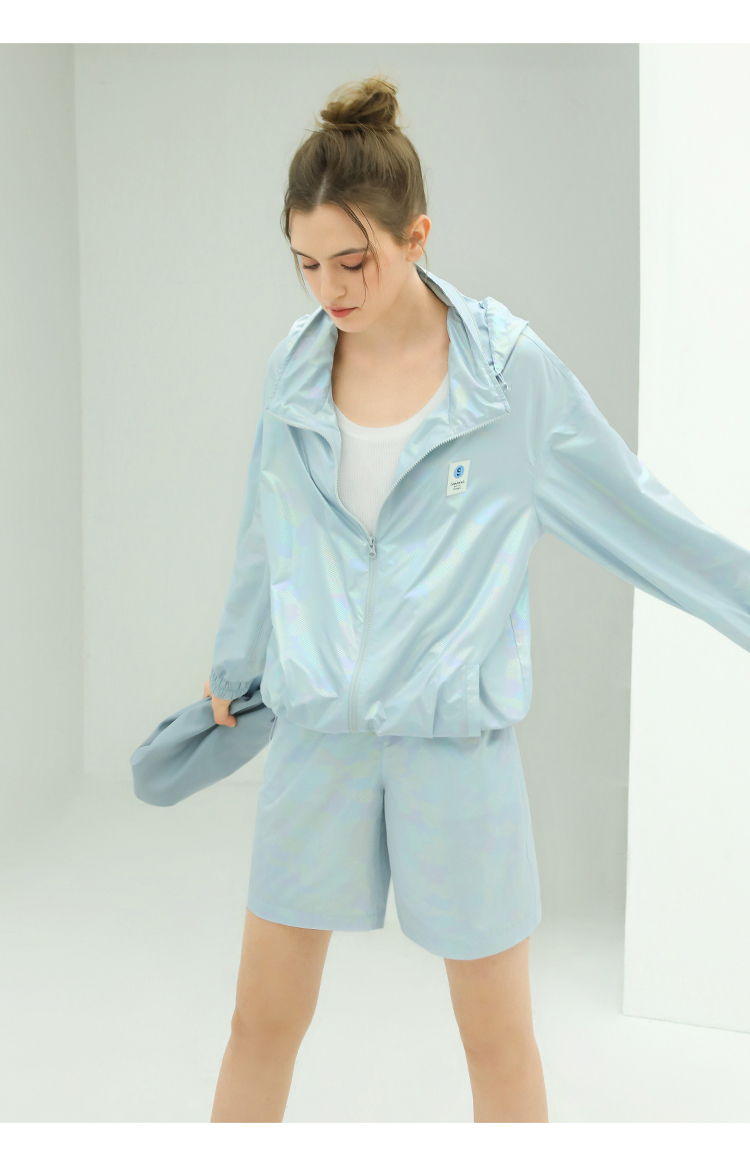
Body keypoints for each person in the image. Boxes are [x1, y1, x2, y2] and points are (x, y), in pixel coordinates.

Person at [204, 75, 750, 1123]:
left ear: (417, 235)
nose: (329, 289)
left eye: (353, 260)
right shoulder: (294, 369)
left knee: (498, 1042)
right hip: (318, 738)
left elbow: (640, 513)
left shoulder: (509, 379)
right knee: (258, 1021)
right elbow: (264, 528)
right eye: (306, 263)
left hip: (456, 748)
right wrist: (236, 663)